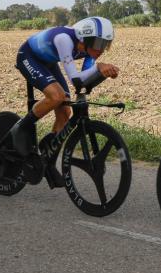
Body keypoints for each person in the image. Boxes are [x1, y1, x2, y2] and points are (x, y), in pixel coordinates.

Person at [7, 17, 119, 172]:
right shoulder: (64, 39)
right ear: (85, 38)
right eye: (99, 43)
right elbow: (75, 79)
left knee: (65, 112)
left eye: (106, 44)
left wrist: (102, 74)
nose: (101, 49)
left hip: (48, 62)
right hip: (28, 56)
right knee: (56, 96)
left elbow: (83, 82)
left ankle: (48, 161)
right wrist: (98, 68)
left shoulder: (89, 49)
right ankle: (20, 128)